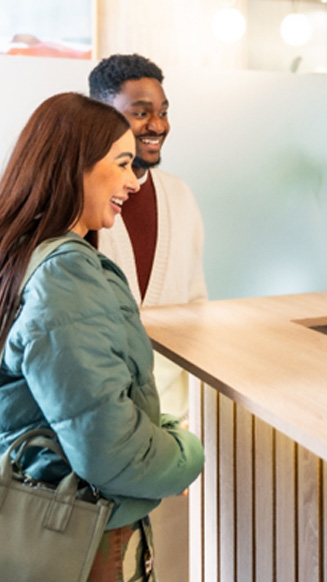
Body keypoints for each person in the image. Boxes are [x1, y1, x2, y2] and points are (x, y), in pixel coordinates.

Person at [0, 92, 205, 581]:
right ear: (76, 166)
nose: (134, 182)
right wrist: (187, 450)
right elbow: (110, 451)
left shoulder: (23, 255)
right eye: (122, 164)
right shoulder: (65, 274)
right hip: (85, 541)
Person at [88, 53, 207, 420]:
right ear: (100, 115)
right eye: (141, 113)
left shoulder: (180, 195)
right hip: (102, 417)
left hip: (175, 416)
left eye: (163, 112)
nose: (157, 125)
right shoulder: (81, 205)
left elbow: (196, 306)